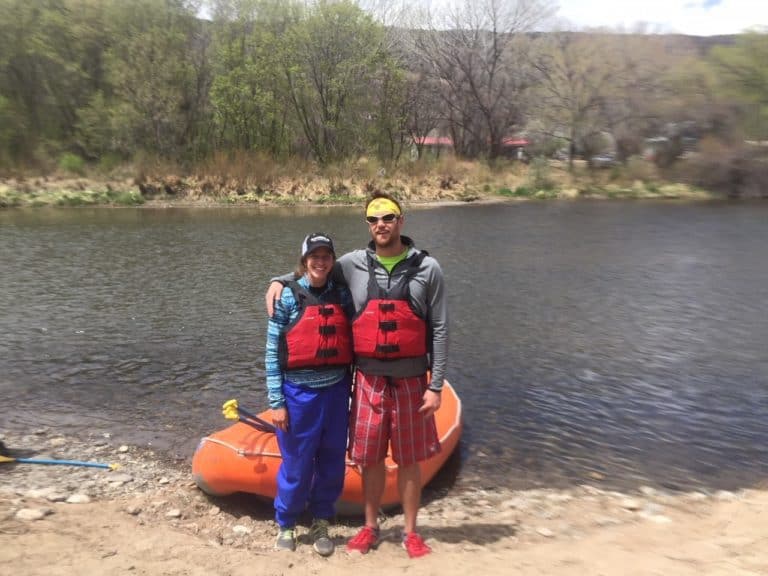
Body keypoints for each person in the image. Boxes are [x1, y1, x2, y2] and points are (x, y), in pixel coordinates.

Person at [266, 192, 448, 558]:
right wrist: (278, 279)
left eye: (388, 217)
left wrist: (437, 384)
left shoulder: (429, 269)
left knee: (410, 459)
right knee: (368, 458)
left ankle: (411, 532)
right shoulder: (352, 263)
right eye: (374, 218)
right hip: (367, 380)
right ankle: (369, 527)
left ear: (401, 220)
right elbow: (311, 271)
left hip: (412, 379)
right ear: (367, 224)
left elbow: (440, 328)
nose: (381, 224)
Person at [264, 232, 354, 556]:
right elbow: (272, 353)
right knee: (297, 463)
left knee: (331, 461)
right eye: (314, 256)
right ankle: (286, 523)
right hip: (299, 395)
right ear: (304, 260)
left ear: (332, 260)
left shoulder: (342, 295)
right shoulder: (287, 297)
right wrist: (277, 403)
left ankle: (320, 521)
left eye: (326, 256)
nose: (320, 261)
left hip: (336, 392)